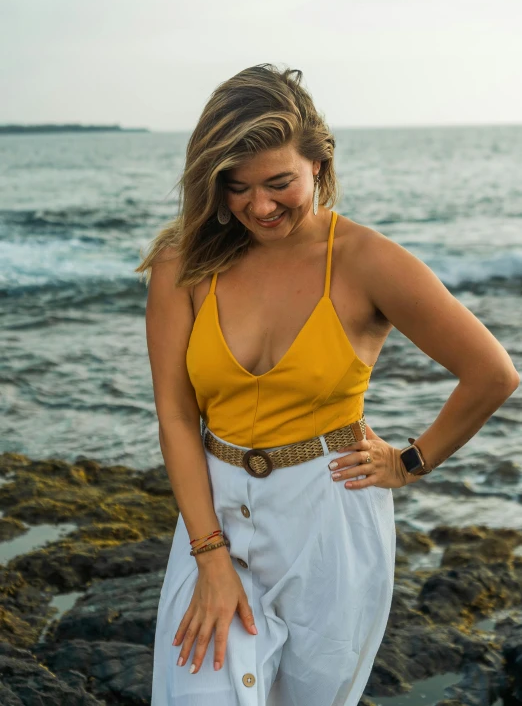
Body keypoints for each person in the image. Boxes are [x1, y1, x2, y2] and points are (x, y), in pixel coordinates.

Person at [136, 63, 519, 706]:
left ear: (318, 162)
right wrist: (209, 557)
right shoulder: (184, 264)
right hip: (216, 514)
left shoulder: (366, 261)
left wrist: (409, 461)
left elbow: (493, 373)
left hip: (333, 521)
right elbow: (177, 416)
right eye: (235, 187)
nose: (259, 206)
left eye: (279, 182)